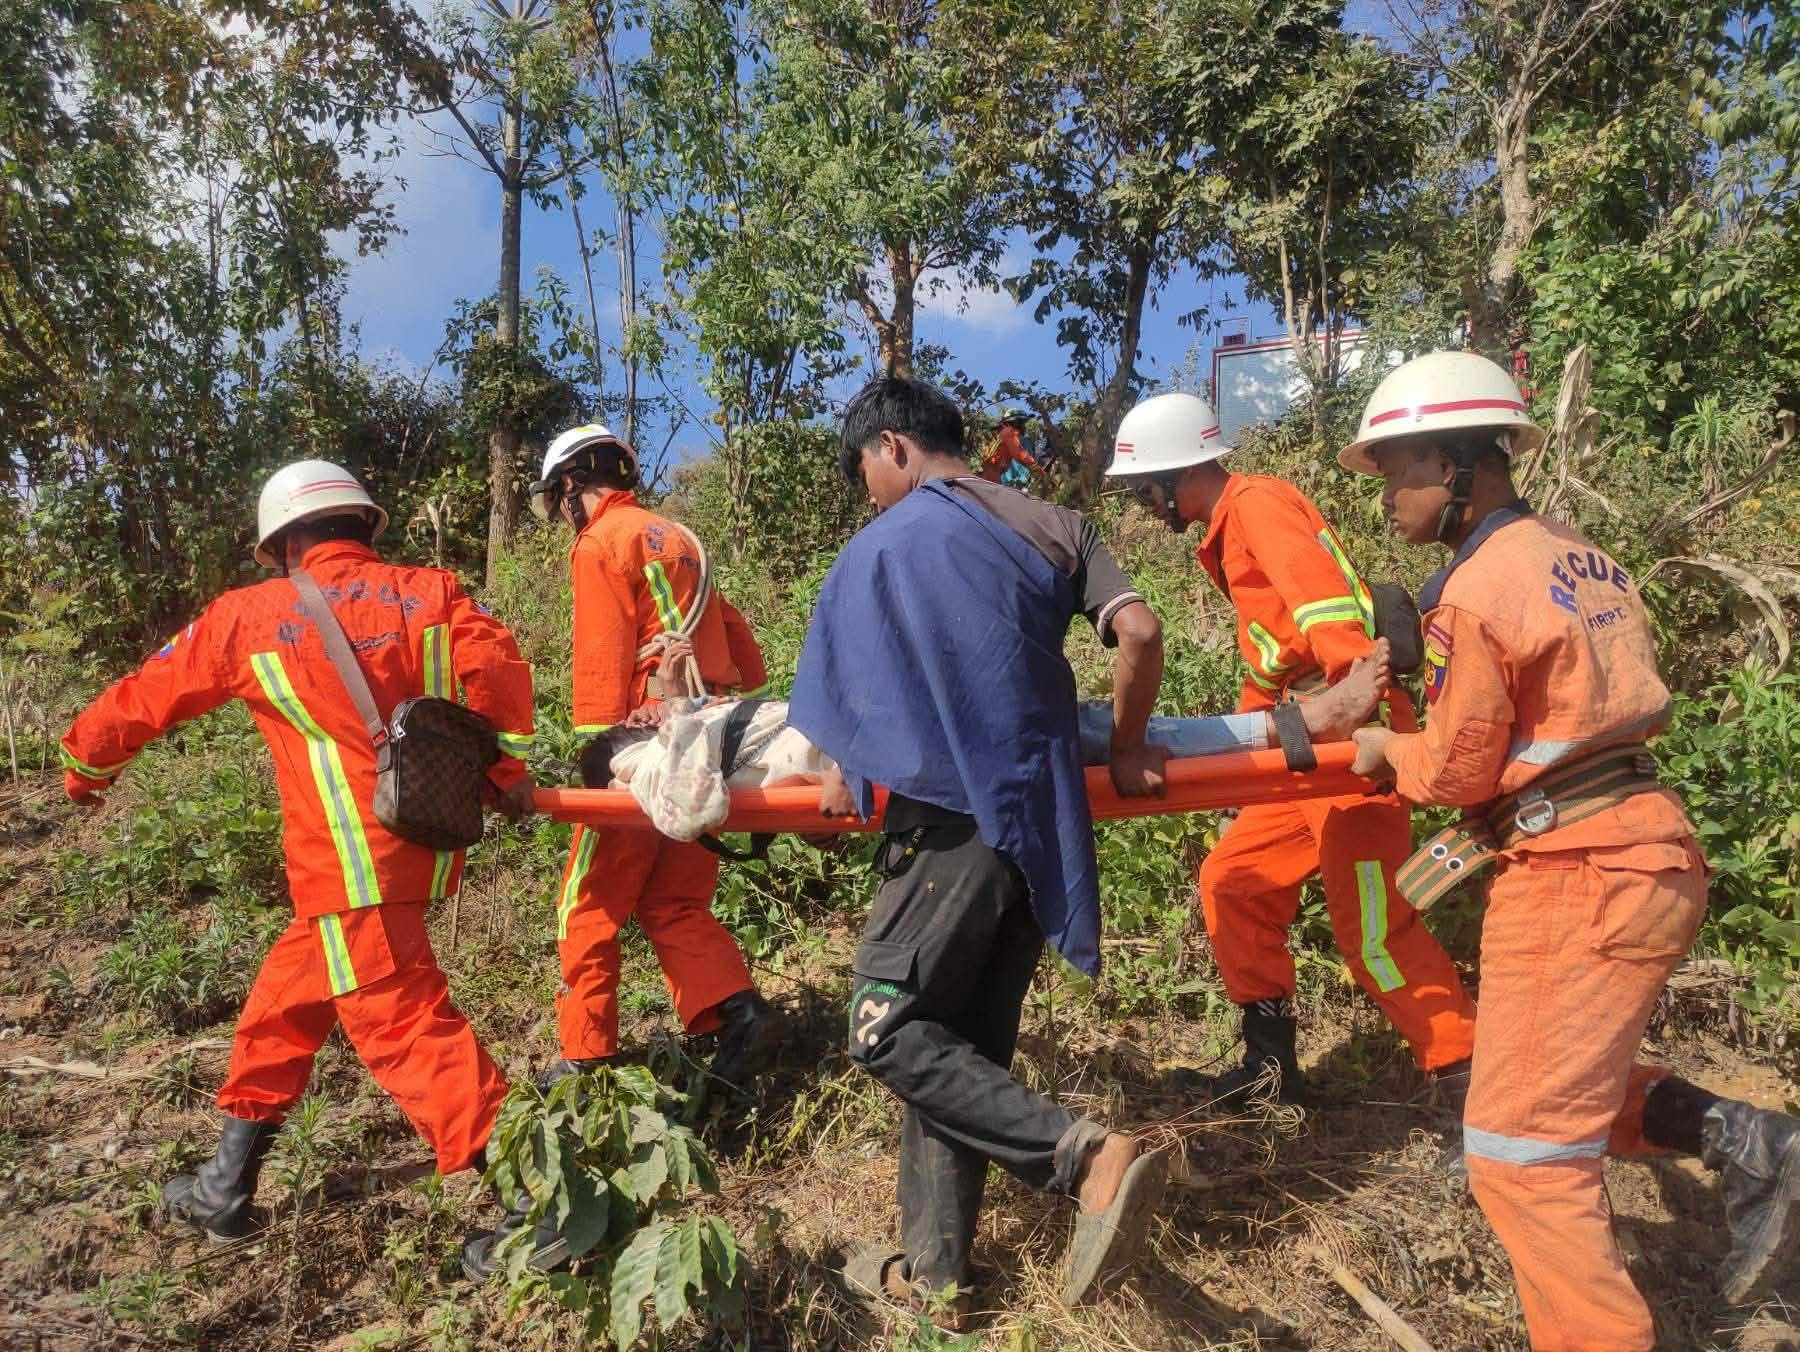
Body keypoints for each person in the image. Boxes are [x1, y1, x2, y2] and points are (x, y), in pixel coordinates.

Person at [1344, 351, 1800, 1348]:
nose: (1385, 494)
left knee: (1520, 1156)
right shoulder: (1581, 554)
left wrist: (1384, 747)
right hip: (1646, 848)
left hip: (1574, 872)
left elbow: (1462, 766)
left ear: (1459, 462)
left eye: (1395, 468)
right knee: (1556, 1082)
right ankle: (1752, 1139)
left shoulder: (1471, 587)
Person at [57, 461, 562, 1272]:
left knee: (399, 1022)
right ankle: (227, 1184)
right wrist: (507, 773)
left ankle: (545, 1202)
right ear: (364, 524)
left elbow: (147, 694)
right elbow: (498, 669)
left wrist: (85, 762)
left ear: (285, 541)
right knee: (288, 1001)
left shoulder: (247, 617)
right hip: (420, 838)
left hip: (346, 862)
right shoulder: (432, 590)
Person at [787, 376, 1173, 1324]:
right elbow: (1141, 630)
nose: (869, 495)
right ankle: (939, 1283)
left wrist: (843, 765)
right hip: (1038, 837)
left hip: (945, 837)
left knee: (884, 1030)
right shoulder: (1054, 523)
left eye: (864, 474)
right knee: (952, 1059)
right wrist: (1124, 747)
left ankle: (1086, 1156)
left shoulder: (876, 551)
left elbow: (841, 721)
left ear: (893, 447)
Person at [1108, 392, 1478, 1105]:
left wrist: (1353, 703)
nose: (1141, 503)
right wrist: (1246, 772)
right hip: (1301, 736)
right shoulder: (1226, 529)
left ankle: (1467, 1083)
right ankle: (1270, 1072)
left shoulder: (1255, 506)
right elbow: (1268, 663)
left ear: (1176, 470)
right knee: (1234, 882)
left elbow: (1328, 609)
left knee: (1373, 930)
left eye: (1141, 487)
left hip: (1345, 729)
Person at [529, 424, 781, 1093]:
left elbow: (602, 659)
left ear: (573, 484)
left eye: (559, 501)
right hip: (710, 737)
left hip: (644, 748)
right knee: (673, 900)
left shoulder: (601, 542)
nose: (561, 516)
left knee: (586, 902)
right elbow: (743, 650)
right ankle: (735, 1015)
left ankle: (585, 1054)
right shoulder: (682, 539)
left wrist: (599, 756)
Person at [977, 407, 1042, 486]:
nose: (1024, 427)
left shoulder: (1004, 435)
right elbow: (1021, 455)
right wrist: (1040, 473)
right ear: (1016, 422)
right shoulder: (1008, 433)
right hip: (989, 475)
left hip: (994, 476)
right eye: (1022, 423)